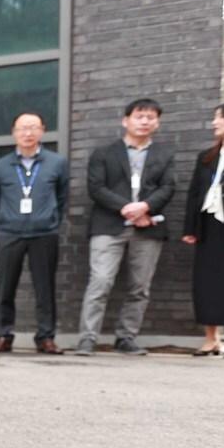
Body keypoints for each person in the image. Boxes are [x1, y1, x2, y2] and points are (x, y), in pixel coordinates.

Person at [74, 98, 176, 356]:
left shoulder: (164, 154)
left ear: (157, 123)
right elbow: (96, 188)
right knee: (100, 282)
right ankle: (87, 338)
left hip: (148, 227)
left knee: (140, 287)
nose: (145, 121)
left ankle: (126, 337)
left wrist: (144, 207)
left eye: (150, 117)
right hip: (108, 227)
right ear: (126, 120)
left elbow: (168, 188)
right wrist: (127, 208)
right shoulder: (104, 153)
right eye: (139, 116)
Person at [0, 112, 70, 354]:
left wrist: (52, 221)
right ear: (14, 132)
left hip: (44, 233)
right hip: (10, 233)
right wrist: (3, 223)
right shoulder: (0, 166)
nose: (28, 133)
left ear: (42, 130)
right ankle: (3, 335)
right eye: (22, 128)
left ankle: (45, 337)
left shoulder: (56, 163)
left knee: (45, 288)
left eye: (33, 127)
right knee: (5, 287)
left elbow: (62, 198)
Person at [181, 103, 224, 356]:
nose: (214, 123)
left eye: (219, 118)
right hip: (209, 224)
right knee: (207, 281)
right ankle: (211, 338)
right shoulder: (207, 157)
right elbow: (194, 194)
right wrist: (191, 227)